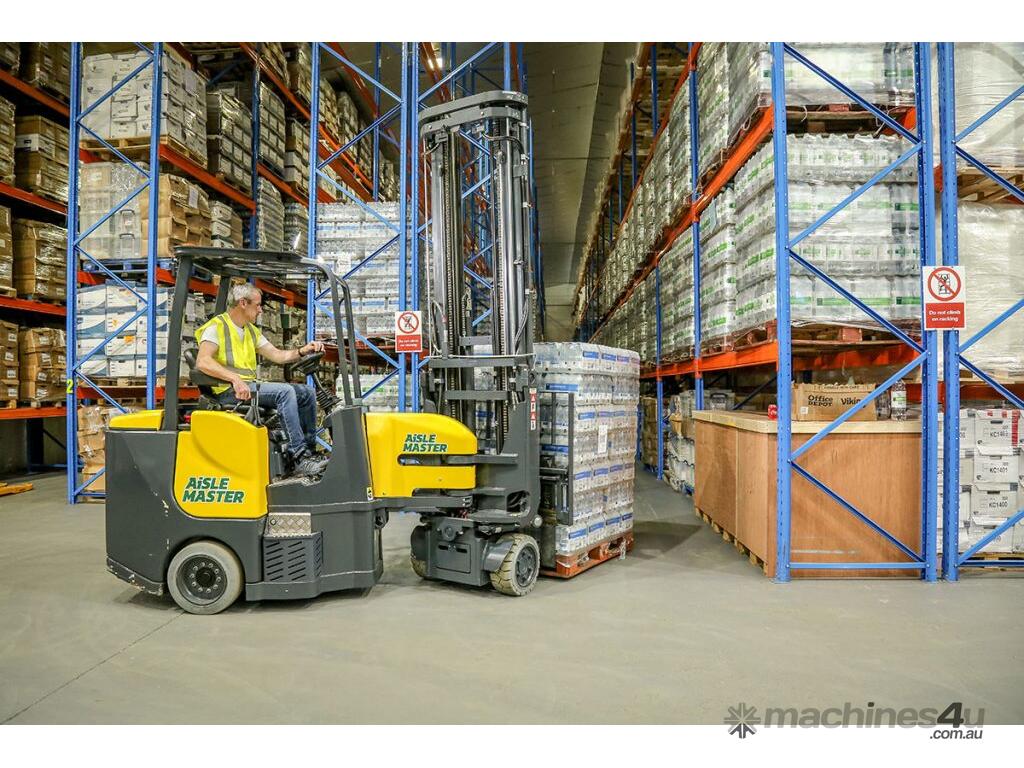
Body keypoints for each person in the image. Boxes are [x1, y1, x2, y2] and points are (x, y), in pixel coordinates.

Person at [195, 283, 325, 475]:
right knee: (285, 392)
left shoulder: (250, 330)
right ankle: (299, 458)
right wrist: (234, 379)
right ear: (243, 303)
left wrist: (302, 351)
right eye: (257, 305)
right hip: (228, 391)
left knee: (306, 392)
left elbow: (278, 355)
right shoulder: (217, 327)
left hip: (249, 387)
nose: (260, 310)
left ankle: (309, 452)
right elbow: (203, 361)